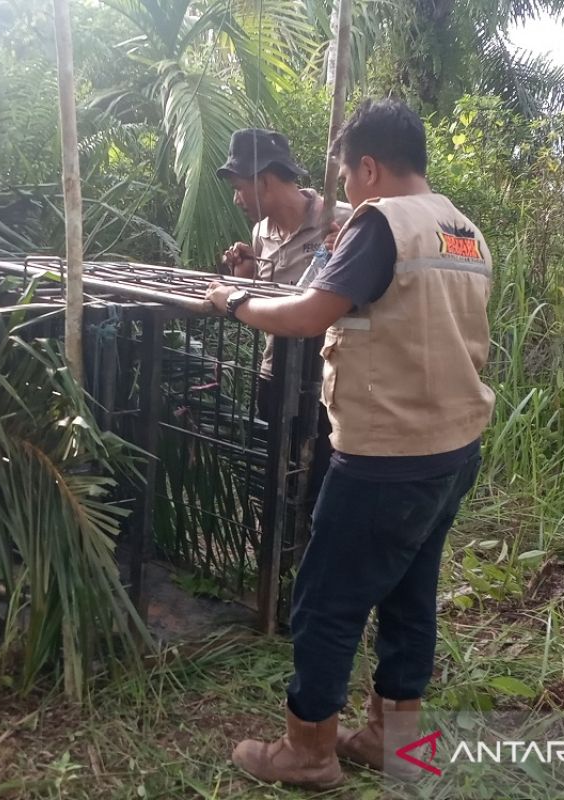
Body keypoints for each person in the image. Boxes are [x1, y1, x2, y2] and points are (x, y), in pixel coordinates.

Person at [206, 99, 493, 789]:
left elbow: (309, 315)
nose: (346, 191)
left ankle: (307, 750)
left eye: (347, 174)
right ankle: (395, 742)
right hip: (453, 448)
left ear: (368, 165)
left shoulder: (382, 222)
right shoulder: (465, 231)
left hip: (386, 455)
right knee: (409, 596)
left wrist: (234, 303)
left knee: (326, 601)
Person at [217, 128, 352, 509]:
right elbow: (263, 299)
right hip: (277, 366)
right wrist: (244, 276)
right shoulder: (260, 232)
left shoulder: (340, 219)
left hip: (327, 371)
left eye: (240, 187)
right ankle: (277, 551)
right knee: (276, 462)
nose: (237, 198)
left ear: (265, 182)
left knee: (323, 469)